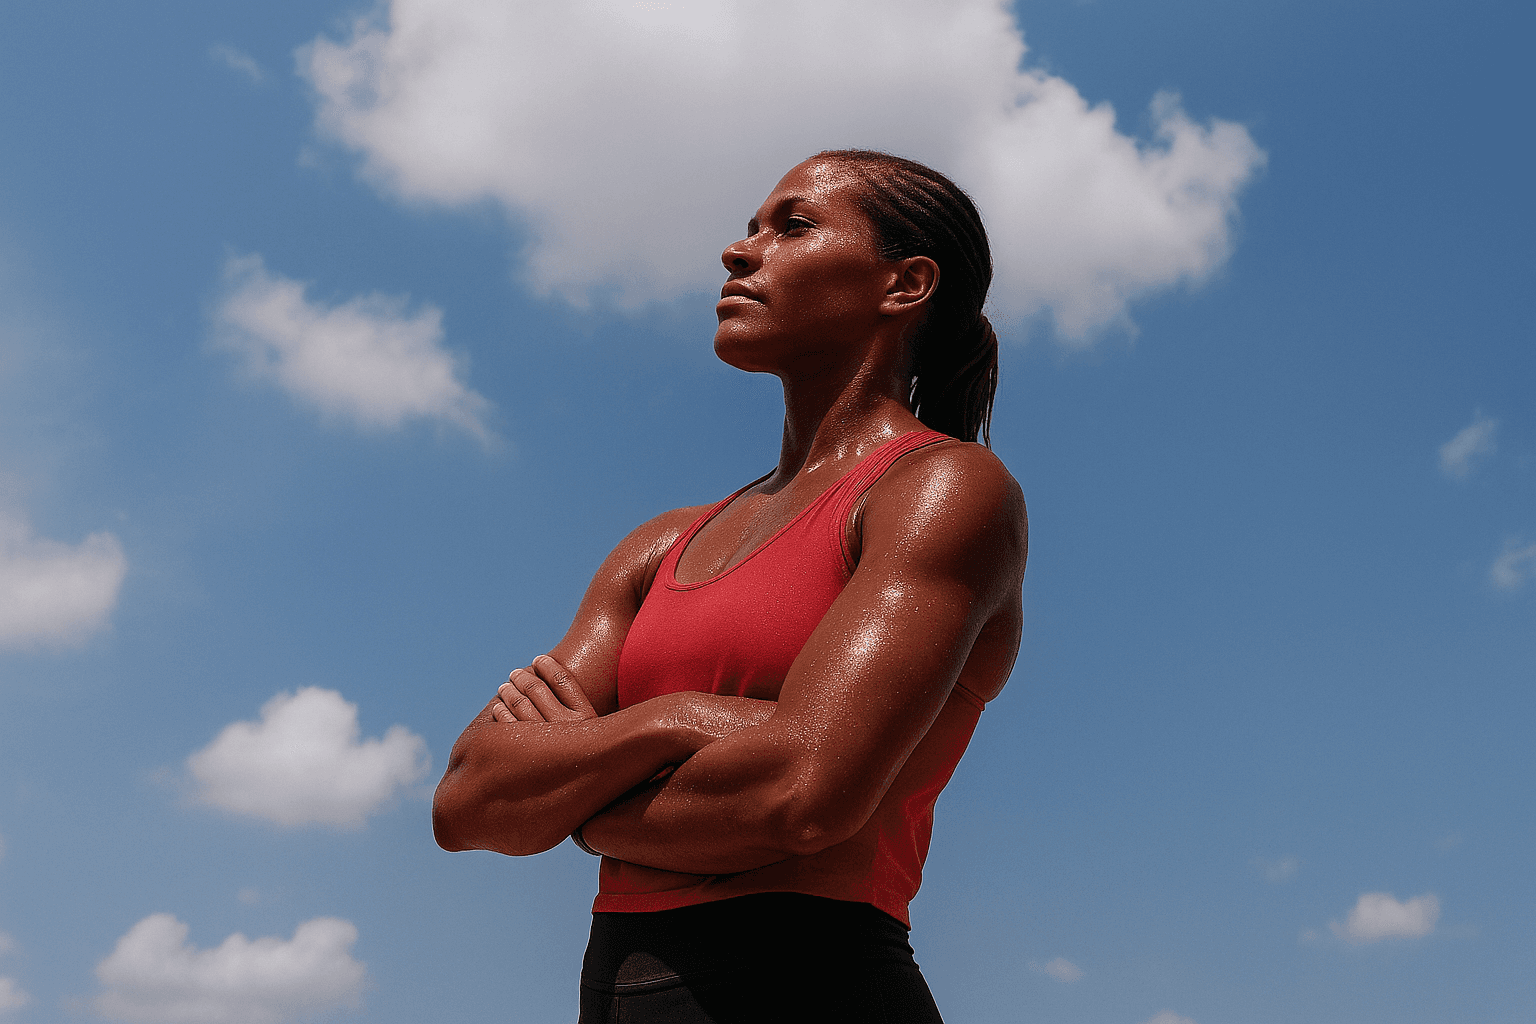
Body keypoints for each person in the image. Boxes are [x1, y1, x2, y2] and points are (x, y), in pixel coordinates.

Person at [433, 150, 1028, 1023]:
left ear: (905, 284)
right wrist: (671, 721)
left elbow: (798, 796)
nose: (739, 251)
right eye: (752, 227)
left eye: (792, 226)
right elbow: (470, 802)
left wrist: (580, 806)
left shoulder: (942, 490)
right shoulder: (661, 544)